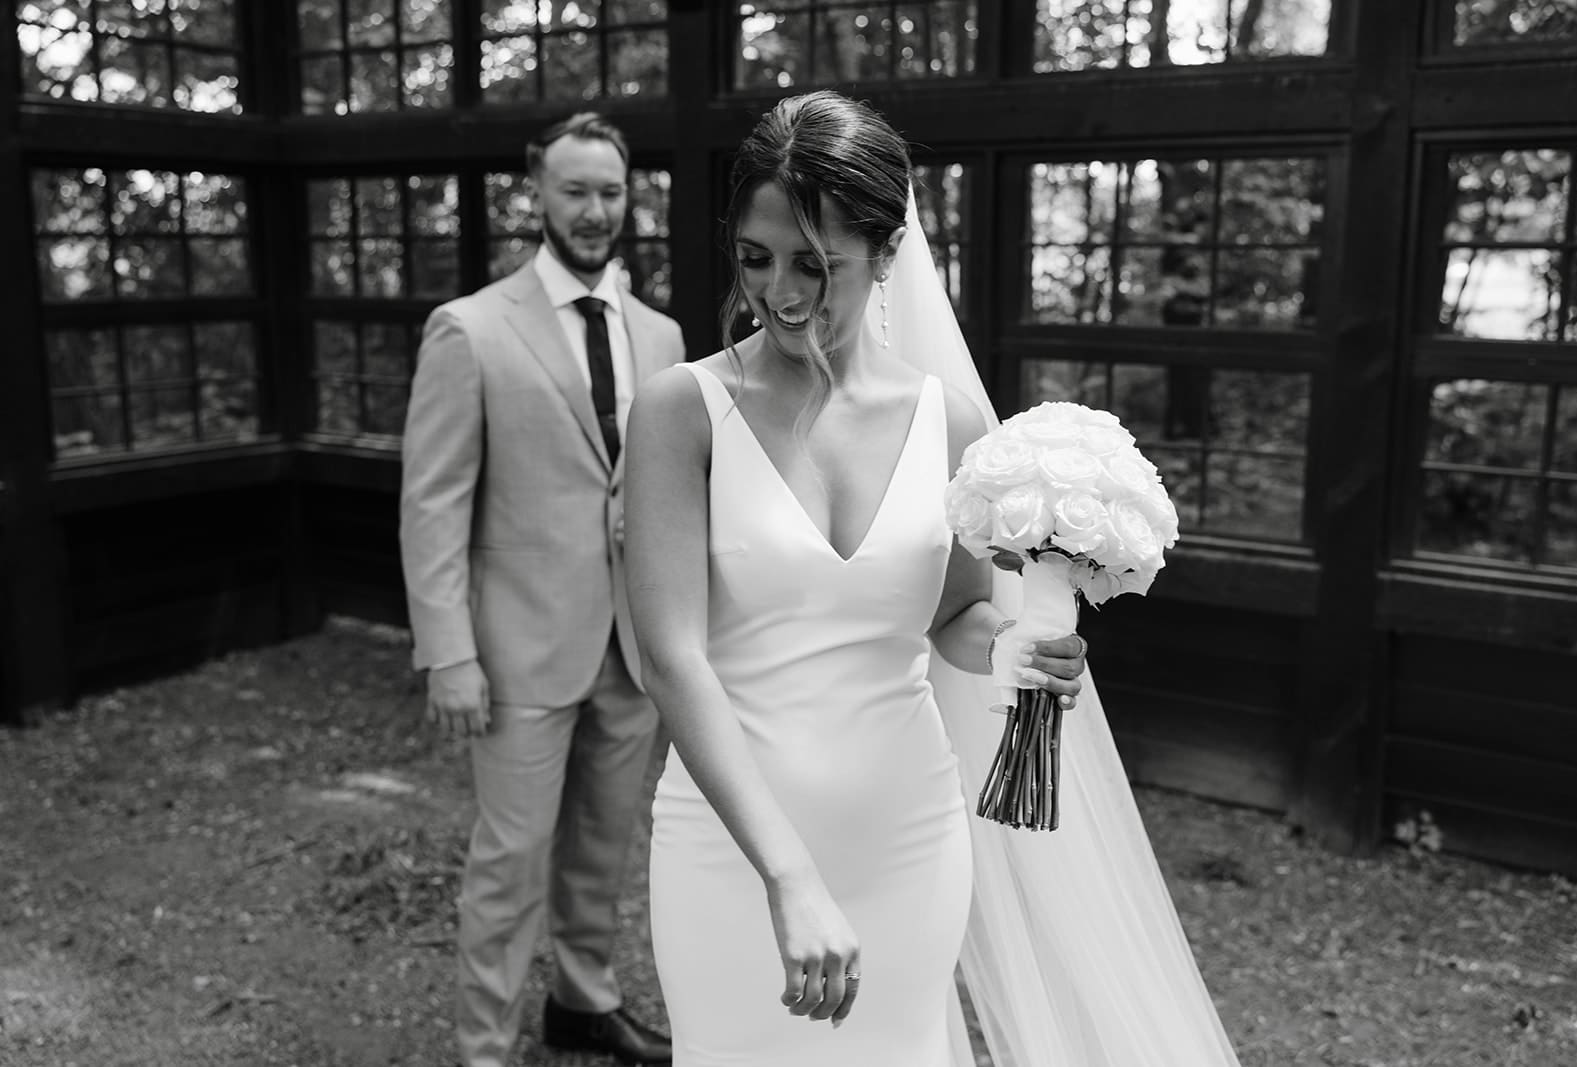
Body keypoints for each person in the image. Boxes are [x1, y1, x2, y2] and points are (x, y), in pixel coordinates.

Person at [625, 91, 1244, 1066]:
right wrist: (787, 873)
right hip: (730, 846)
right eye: (756, 257)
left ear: (886, 251)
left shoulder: (947, 420)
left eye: (816, 265)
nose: (779, 293)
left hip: (904, 836)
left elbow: (954, 609)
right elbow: (670, 659)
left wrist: (1011, 645)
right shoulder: (681, 410)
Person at [399, 111, 682, 1067]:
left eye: (611, 190)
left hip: (632, 649)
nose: (596, 210)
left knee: (604, 846)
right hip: (516, 651)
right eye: (575, 190)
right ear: (538, 192)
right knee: (508, 863)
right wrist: (449, 652)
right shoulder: (470, 329)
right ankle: (483, 1046)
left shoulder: (663, 334)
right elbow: (432, 504)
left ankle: (582, 1001)